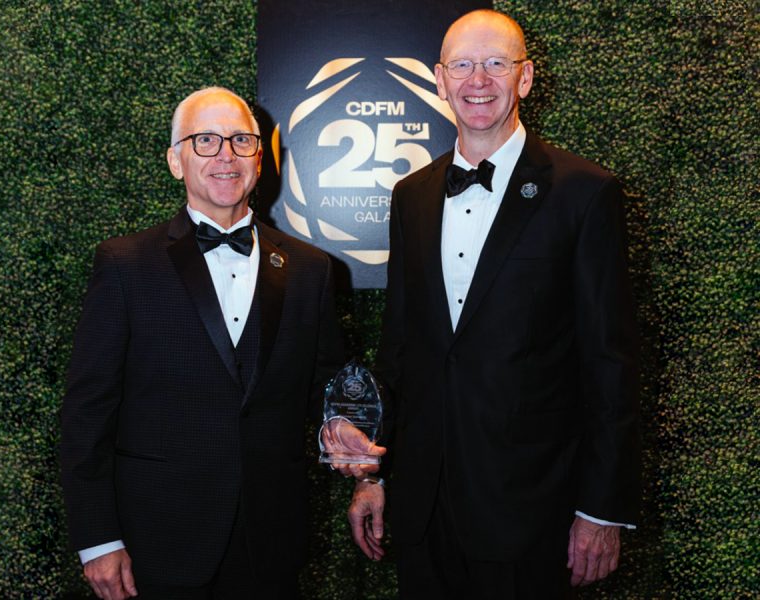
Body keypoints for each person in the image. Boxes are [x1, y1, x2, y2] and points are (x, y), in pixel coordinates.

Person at [346, 10, 641, 598]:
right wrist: (374, 475)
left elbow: (610, 362)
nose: (477, 80)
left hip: (532, 511)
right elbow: (400, 348)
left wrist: (602, 510)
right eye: (462, 65)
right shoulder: (411, 196)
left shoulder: (585, 192)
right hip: (423, 510)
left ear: (524, 77)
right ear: (439, 78)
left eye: (495, 64)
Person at [60, 86, 344, 599]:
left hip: (271, 542)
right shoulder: (125, 266)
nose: (226, 156)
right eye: (206, 141)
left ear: (262, 157)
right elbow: (87, 412)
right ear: (176, 160)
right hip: (158, 541)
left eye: (241, 140)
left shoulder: (311, 270)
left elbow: (327, 393)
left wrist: (360, 451)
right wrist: (97, 538)